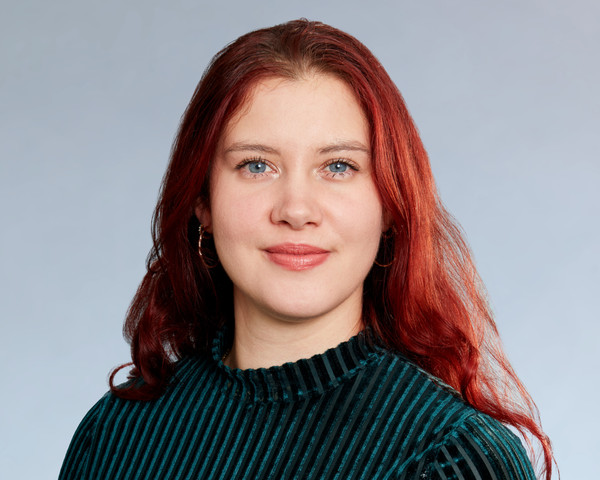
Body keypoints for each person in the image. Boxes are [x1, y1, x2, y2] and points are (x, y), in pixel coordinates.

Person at [59, 19, 554, 479]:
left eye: (338, 167)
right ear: (202, 201)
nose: (296, 210)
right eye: (256, 165)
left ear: (390, 205)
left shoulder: (453, 458)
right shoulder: (114, 434)